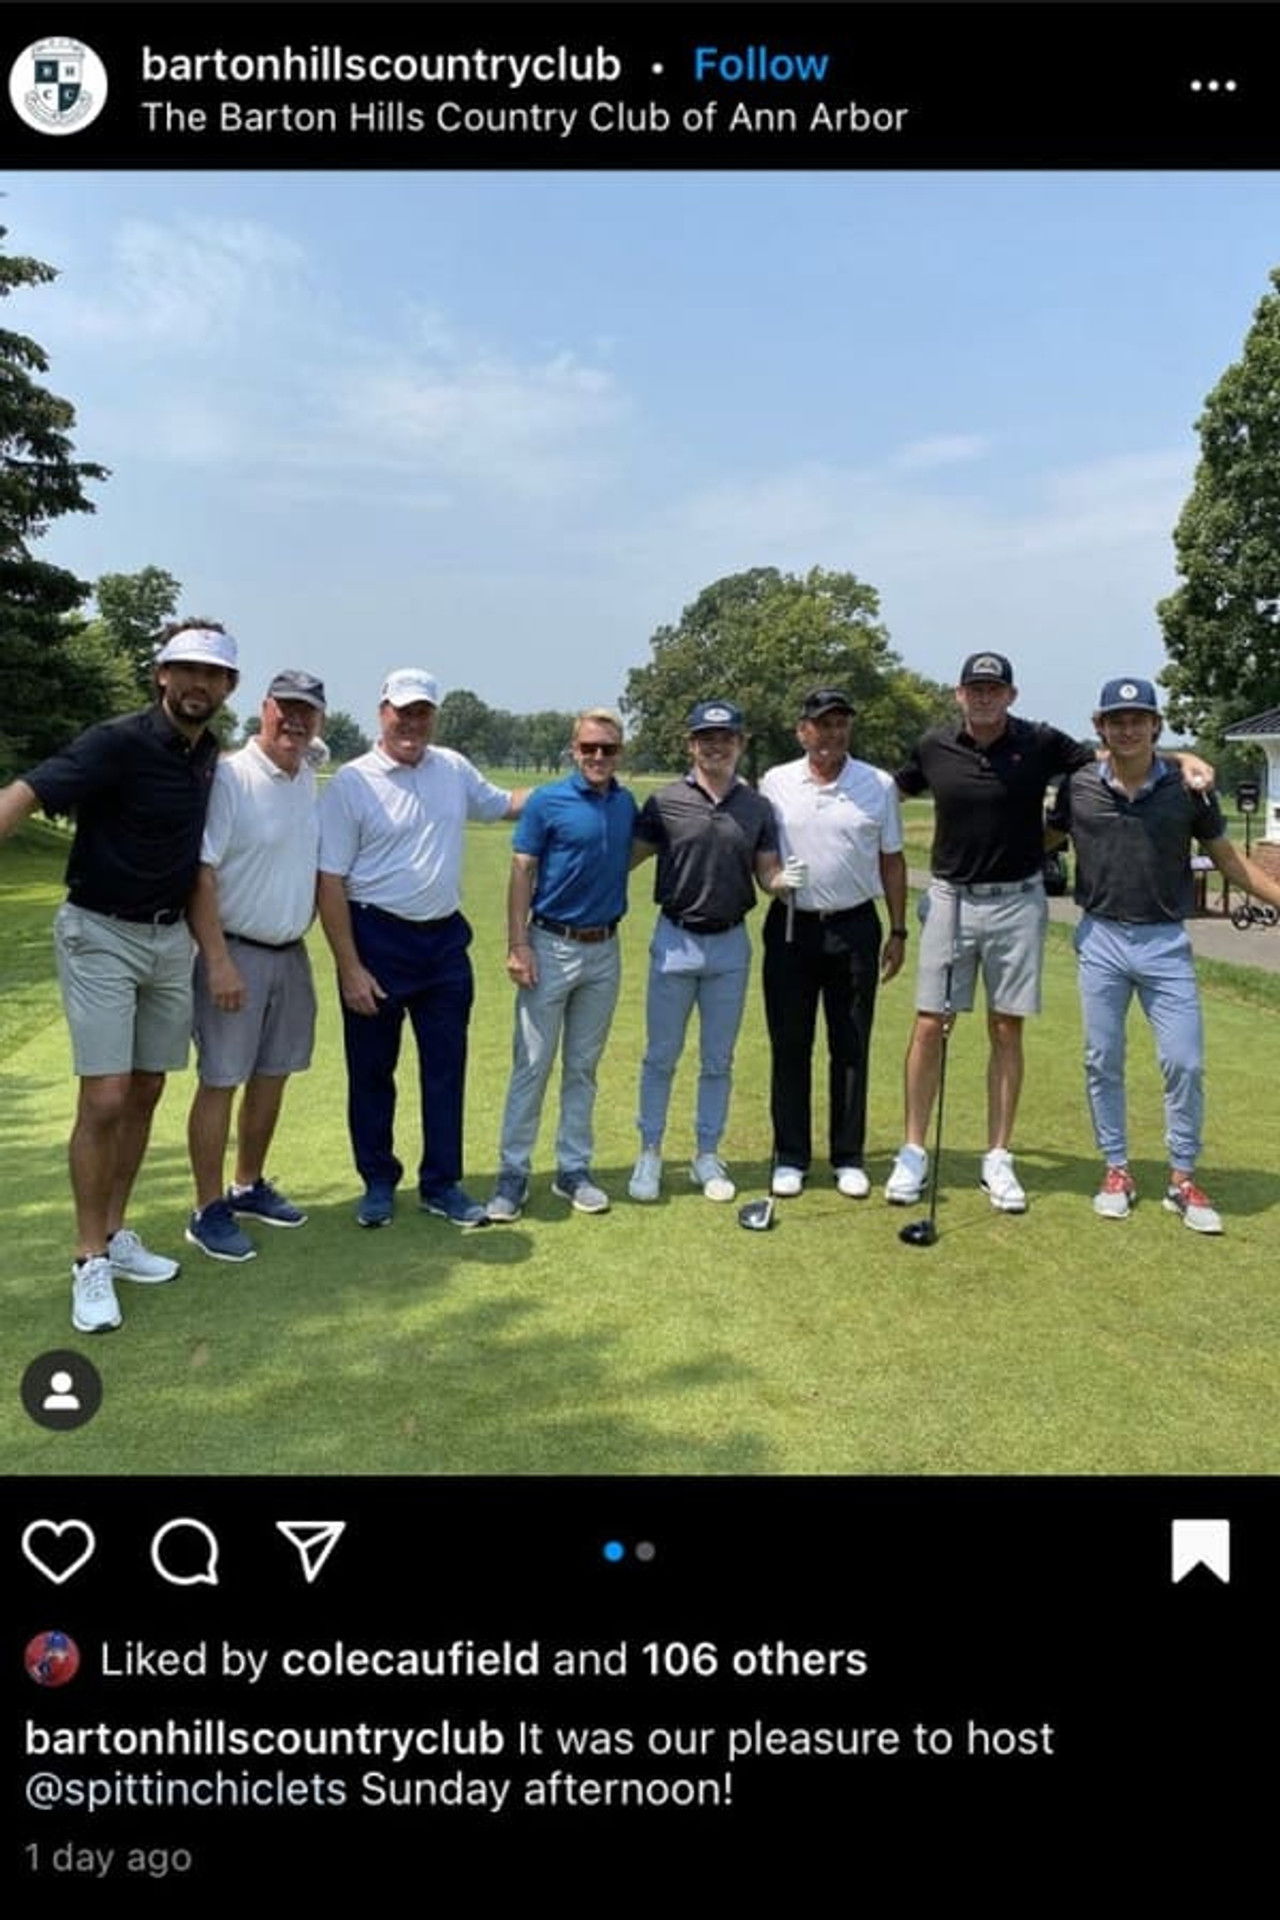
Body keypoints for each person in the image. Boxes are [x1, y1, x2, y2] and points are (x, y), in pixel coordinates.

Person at [885, 651, 1212, 1214]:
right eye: (974, 688)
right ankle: (913, 1150)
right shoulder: (934, 746)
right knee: (930, 1023)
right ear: (959, 694)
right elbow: (888, 792)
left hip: (1017, 900)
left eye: (994, 688)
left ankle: (998, 1157)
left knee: (1006, 1027)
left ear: (1011, 695)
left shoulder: (1040, 742)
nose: (984, 697)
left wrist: (1186, 758)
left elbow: (1124, 753)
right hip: (950, 898)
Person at [0, 621, 238, 1333]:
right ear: (160, 675)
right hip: (100, 931)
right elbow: (26, 792)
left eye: (212, 674)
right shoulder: (116, 740)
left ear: (228, 687)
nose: (198, 684)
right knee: (103, 1096)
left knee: (145, 1090)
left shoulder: (207, 755)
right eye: (185, 670)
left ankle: (114, 1233)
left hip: (169, 941)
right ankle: (87, 1259)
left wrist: (212, 951)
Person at [1048, 676, 1280, 1233]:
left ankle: (1181, 1177)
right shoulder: (1078, 785)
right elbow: (1040, 842)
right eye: (1116, 720)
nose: (1128, 728)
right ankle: (1116, 1170)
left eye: (1139, 719)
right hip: (1100, 937)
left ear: (1155, 725)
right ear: (1101, 727)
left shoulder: (1188, 790)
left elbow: (1228, 860)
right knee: (1102, 1059)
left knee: (1184, 1062)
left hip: (1166, 941)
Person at [317, 668, 528, 1229]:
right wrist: (349, 967)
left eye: (422, 713)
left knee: (445, 1069)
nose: (411, 723)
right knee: (371, 1072)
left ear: (433, 717)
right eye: (401, 711)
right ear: (381, 712)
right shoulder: (351, 783)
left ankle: (441, 1183)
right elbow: (329, 880)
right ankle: (378, 1181)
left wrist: (578, 785)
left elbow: (503, 804)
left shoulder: (452, 768)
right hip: (375, 940)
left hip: (442, 944)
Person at [628, 699, 802, 1204]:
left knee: (717, 1060)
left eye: (725, 738)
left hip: (730, 944)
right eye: (706, 738)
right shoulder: (664, 802)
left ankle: (707, 1153)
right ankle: (650, 1152)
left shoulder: (756, 807)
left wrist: (780, 882)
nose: (715, 746)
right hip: (675, 939)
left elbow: (766, 871)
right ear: (691, 744)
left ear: (740, 744)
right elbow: (627, 859)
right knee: (660, 1056)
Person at [184, 670, 326, 1262]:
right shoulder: (233, 777)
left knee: (273, 1075)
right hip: (234, 950)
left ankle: (248, 1185)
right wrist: (216, 960)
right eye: (285, 708)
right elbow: (202, 870)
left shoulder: (307, 775)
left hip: (290, 953)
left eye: (307, 711)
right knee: (221, 1079)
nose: (294, 720)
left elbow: (308, 753)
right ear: (264, 708)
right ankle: (207, 1208)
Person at [486, 710, 638, 1221]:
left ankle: (573, 1169)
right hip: (549, 944)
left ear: (620, 753)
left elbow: (622, 856)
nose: (598, 757)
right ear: (573, 750)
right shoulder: (548, 801)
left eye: (608, 749)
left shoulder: (625, 803)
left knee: (583, 1067)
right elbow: (522, 870)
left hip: (605, 949)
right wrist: (517, 943)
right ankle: (513, 1173)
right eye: (589, 748)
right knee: (532, 1063)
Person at [759, 689, 908, 1200]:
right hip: (791, 924)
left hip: (855, 927)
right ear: (802, 730)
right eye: (822, 725)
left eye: (841, 723)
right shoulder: (776, 781)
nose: (832, 734)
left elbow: (892, 859)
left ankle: (848, 1156)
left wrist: (898, 929)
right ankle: (791, 1157)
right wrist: (773, 878)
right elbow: (761, 852)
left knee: (850, 1043)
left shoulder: (877, 784)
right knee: (790, 1043)